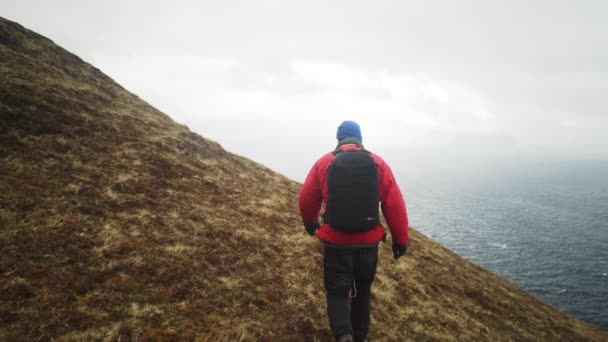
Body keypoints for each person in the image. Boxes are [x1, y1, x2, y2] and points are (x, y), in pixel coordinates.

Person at [299, 120, 410, 342]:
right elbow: (394, 203)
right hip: (368, 244)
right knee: (363, 291)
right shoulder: (378, 163)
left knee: (338, 291)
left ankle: (343, 336)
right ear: (360, 139)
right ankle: (360, 337)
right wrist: (401, 240)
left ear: (339, 139)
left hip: (336, 242)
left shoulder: (325, 163)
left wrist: (311, 223)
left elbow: (307, 197)